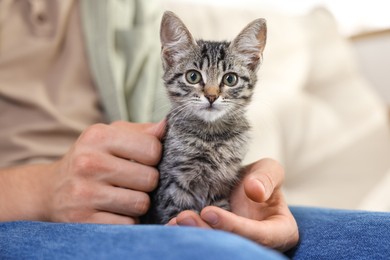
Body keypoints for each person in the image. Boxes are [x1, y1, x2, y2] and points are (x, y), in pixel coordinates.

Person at [1, 1, 390, 259]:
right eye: (198, 79)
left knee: (378, 239)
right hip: (24, 213)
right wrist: (43, 188)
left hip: (135, 195)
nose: (211, 92)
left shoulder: (123, 7)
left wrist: (242, 193)